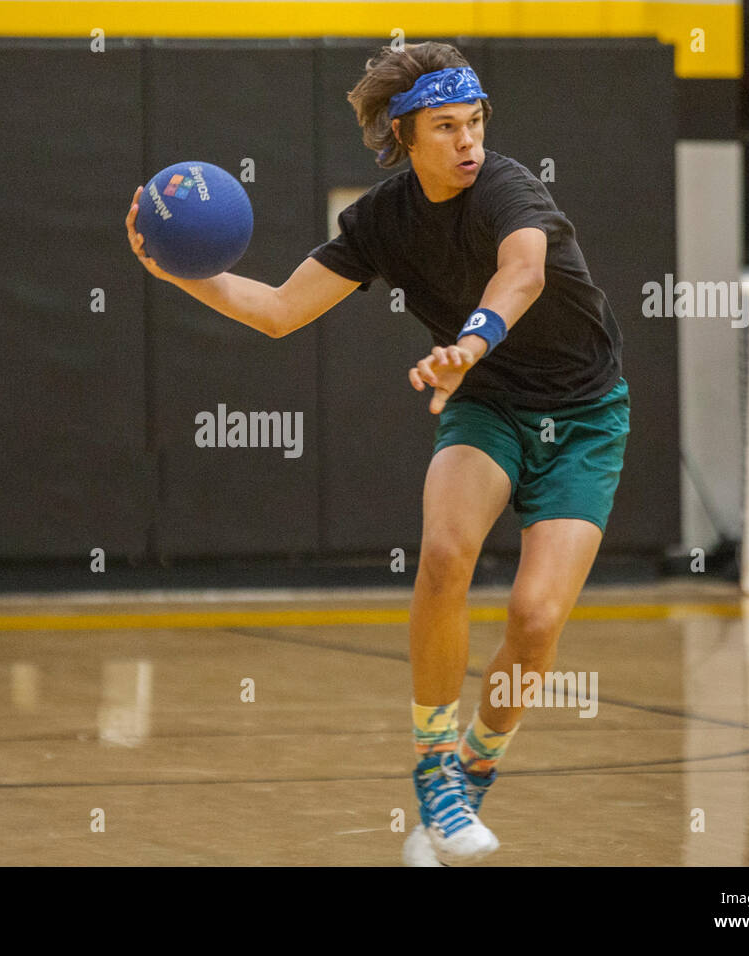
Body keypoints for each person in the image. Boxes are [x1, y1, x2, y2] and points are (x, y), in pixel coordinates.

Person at [127, 41, 628, 866]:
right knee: (442, 554)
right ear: (403, 133)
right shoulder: (380, 220)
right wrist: (174, 270)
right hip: (488, 406)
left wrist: (468, 340)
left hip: (583, 414)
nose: (468, 142)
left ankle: (475, 771)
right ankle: (434, 765)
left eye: (475, 123)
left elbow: (525, 271)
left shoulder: (507, 185)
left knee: (535, 621)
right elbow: (280, 310)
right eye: (445, 127)